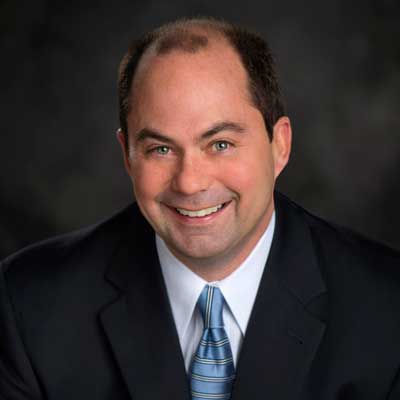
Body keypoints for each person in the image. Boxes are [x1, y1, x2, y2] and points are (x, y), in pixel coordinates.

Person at [1, 17, 400, 400]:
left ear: (279, 145)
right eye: (160, 149)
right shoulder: (28, 307)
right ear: (127, 155)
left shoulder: (387, 309)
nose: (189, 182)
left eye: (220, 144)